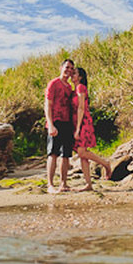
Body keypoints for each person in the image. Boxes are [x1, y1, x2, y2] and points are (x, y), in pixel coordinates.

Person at [72, 67, 113, 191]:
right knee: (82, 155)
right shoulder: (75, 89)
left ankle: (105, 163)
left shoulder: (80, 88)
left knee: (81, 152)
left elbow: (81, 108)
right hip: (77, 123)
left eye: (74, 74)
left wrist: (78, 128)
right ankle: (88, 184)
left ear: (80, 77)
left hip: (83, 122)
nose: (71, 75)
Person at [44, 59, 77, 193]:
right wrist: (51, 125)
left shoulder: (69, 87)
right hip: (55, 121)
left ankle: (63, 183)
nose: (68, 71)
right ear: (61, 67)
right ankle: (50, 185)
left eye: (71, 69)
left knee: (66, 155)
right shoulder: (53, 83)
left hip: (67, 123)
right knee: (53, 153)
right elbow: (48, 105)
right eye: (67, 67)